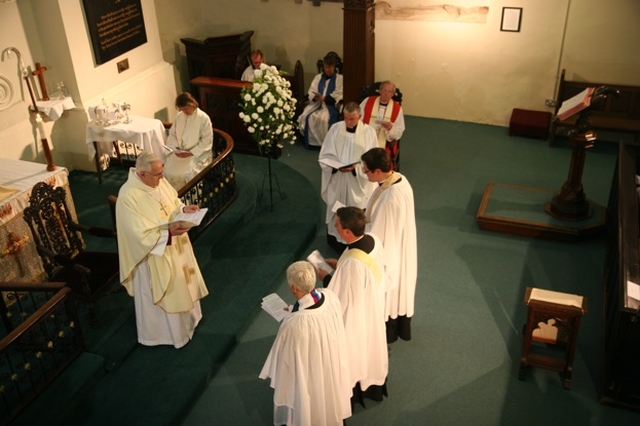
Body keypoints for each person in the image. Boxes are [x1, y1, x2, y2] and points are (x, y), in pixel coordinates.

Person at [115, 151, 209, 349]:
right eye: (157, 175)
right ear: (142, 175)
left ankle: (191, 320)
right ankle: (167, 335)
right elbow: (137, 235)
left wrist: (184, 209)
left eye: (162, 172)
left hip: (176, 246)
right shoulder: (128, 197)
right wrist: (168, 234)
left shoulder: (157, 180)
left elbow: (173, 202)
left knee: (184, 284)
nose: (162, 178)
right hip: (154, 256)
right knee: (167, 291)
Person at [259, 261, 352, 426]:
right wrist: (294, 310)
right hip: (330, 360)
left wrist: (292, 316)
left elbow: (285, 360)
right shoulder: (330, 296)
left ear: (294, 288)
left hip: (311, 371)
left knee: (308, 400)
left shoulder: (295, 324)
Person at [317, 207, 389, 406]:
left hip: (357, 314)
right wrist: (339, 264)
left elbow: (342, 296)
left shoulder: (352, 264)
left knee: (354, 350)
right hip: (372, 302)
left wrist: (327, 277)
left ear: (347, 231)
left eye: (337, 224)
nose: (335, 227)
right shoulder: (372, 240)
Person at [361, 147, 418, 343]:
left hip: (391, 251)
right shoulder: (399, 179)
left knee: (389, 290)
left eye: (366, 170)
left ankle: (388, 330)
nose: (364, 173)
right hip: (400, 242)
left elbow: (377, 235)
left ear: (378, 171)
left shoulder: (390, 199)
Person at [319, 101, 378, 253]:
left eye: (352, 118)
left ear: (360, 116)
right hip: (338, 178)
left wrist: (355, 169)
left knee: (354, 211)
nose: (348, 122)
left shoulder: (369, 133)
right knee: (337, 207)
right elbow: (325, 154)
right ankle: (336, 239)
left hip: (356, 182)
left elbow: (372, 159)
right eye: (345, 117)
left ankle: (354, 241)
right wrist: (333, 166)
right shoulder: (335, 129)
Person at [163, 92, 213, 190]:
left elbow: (206, 141)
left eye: (186, 108)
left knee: (186, 174)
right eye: (181, 109)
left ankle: (189, 199)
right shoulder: (179, 117)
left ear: (192, 104)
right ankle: (173, 198)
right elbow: (172, 135)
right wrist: (175, 149)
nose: (184, 112)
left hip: (196, 154)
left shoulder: (203, 118)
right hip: (180, 152)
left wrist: (190, 152)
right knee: (167, 171)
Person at [298, 52, 344, 147]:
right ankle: (311, 142)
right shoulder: (318, 77)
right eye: (325, 67)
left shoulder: (339, 78)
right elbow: (312, 90)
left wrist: (325, 98)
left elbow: (338, 93)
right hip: (317, 104)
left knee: (323, 120)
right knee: (306, 116)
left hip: (329, 106)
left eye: (329, 67)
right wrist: (315, 97)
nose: (327, 70)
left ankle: (324, 145)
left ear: (334, 67)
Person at [359, 81, 405, 170]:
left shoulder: (397, 108)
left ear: (392, 94)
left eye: (389, 91)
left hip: (384, 143)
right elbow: (359, 118)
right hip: (365, 138)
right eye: (384, 90)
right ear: (380, 91)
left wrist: (390, 128)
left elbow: (399, 129)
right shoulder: (368, 101)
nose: (386, 94)